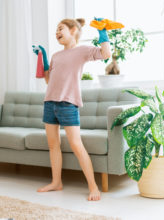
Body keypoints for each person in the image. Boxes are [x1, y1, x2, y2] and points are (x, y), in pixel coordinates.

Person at [33, 18, 111, 201]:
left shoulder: (82, 51)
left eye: (60, 29)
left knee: (76, 144)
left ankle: (93, 187)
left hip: (68, 103)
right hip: (49, 103)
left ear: (73, 30)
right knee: (53, 146)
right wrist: (43, 58)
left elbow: (105, 54)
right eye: (56, 30)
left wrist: (103, 33)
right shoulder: (56, 56)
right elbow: (48, 80)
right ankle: (56, 182)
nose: (57, 33)